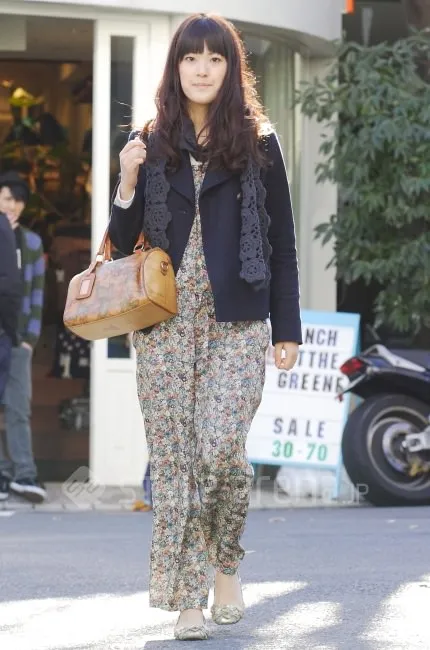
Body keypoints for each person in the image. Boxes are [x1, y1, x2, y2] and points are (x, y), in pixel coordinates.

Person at [109, 13, 301, 641]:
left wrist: (287, 327)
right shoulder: (150, 140)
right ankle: (189, 600)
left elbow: (282, 244)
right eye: (191, 58)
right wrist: (127, 182)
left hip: (237, 319)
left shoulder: (258, 141)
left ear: (230, 68)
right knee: (176, 461)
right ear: (176, 66)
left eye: (215, 58)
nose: (202, 69)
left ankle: (226, 564)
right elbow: (121, 244)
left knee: (218, 450)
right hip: (164, 323)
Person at [0, 172, 47, 504]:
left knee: (18, 407)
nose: (12, 206)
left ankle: (24, 473)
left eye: (18, 200)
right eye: (7, 198)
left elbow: (36, 293)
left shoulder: (31, 243)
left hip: (17, 338)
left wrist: (30, 337)